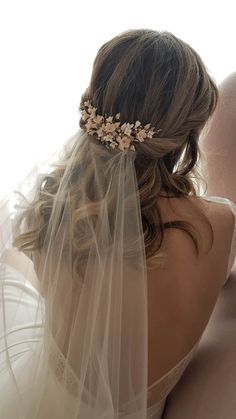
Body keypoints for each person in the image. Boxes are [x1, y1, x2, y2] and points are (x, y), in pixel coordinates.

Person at [0, 29, 235, 419]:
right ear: (190, 130)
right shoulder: (219, 226)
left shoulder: (51, 210)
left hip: (44, 403)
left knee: (10, 269)